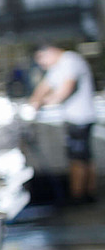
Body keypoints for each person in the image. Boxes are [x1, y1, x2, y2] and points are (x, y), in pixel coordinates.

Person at [28, 43, 97, 204]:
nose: (42, 65)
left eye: (41, 60)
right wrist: (34, 101)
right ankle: (85, 194)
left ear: (49, 51)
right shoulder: (57, 66)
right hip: (74, 118)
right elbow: (44, 85)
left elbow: (66, 89)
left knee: (78, 158)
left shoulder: (70, 61)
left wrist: (45, 103)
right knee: (83, 156)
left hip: (81, 118)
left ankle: (79, 196)